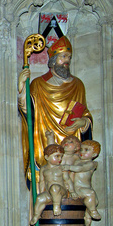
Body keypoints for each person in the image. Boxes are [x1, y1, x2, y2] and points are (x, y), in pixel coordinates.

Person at [18, 36, 92, 173]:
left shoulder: (78, 84)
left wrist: (84, 122)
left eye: (69, 57)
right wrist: (22, 88)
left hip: (72, 139)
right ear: (53, 60)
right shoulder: (38, 84)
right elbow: (29, 110)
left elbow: (85, 112)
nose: (67, 61)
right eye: (63, 56)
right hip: (46, 137)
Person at [65, 140, 101, 226]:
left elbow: (80, 168)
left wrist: (68, 167)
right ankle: (92, 212)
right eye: (81, 149)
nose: (82, 152)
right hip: (78, 188)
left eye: (86, 150)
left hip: (87, 187)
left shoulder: (92, 164)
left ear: (94, 154)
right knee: (90, 194)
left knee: (95, 201)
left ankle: (87, 216)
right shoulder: (77, 162)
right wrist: (70, 188)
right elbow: (72, 174)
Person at [30, 144, 69, 225]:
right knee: (40, 199)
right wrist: (41, 192)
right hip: (49, 193)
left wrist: (71, 191)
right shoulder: (43, 169)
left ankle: (56, 206)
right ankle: (36, 215)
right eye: (57, 156)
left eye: (61, 156)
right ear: (47, 157)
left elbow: (67, 180)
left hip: (61, 192)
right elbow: (42, 181)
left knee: (54, 188)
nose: (60, 159)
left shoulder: (61, 168)